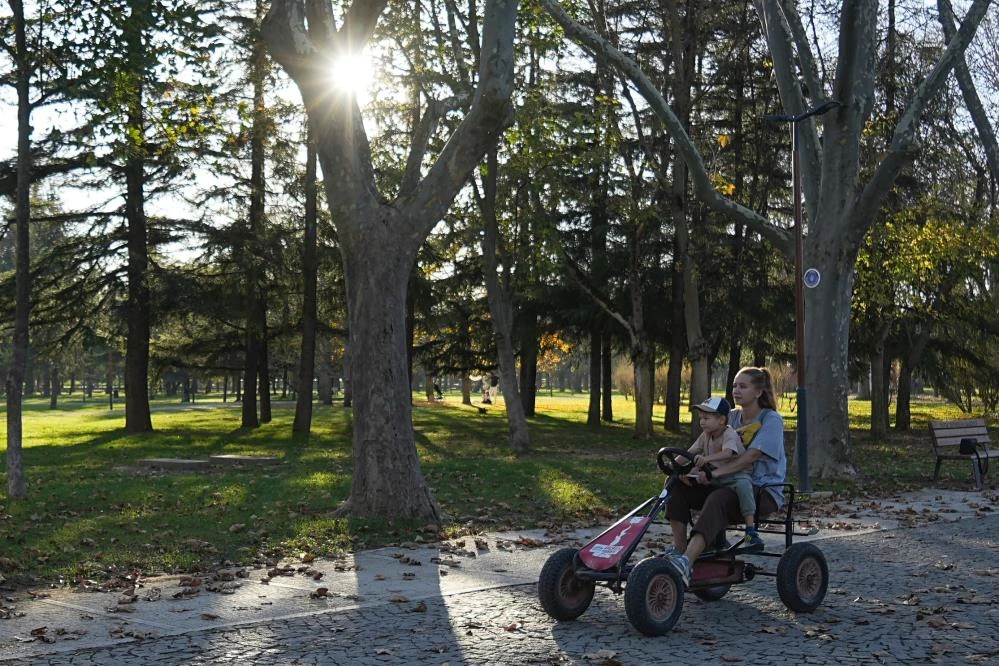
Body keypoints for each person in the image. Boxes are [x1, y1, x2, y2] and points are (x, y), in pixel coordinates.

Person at [665, 367, 787, 587]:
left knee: (719, 498)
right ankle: (679, 550)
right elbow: (699, 445)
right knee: (677, 487)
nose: (736, 391)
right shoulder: (729, 417)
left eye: (743, 386)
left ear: (758, 392)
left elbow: (751, 456)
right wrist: (676, 466)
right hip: (722, 483)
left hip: (760, 490)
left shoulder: (771, 420)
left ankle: (686, 563)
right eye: (734, 386)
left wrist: (714, 473)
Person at [685, 396, 763, 549]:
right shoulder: (705, 435)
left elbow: (729, 453)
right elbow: (690, 452)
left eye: (706, 418)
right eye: (701, 418)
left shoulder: (729, 434)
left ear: (721, 420)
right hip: (715, 474)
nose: (702, 422)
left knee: (744, 484)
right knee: (686, 479)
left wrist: (706, 459)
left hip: (735, 474)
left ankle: (750, 530)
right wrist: (673, 462)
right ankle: (688, 542)